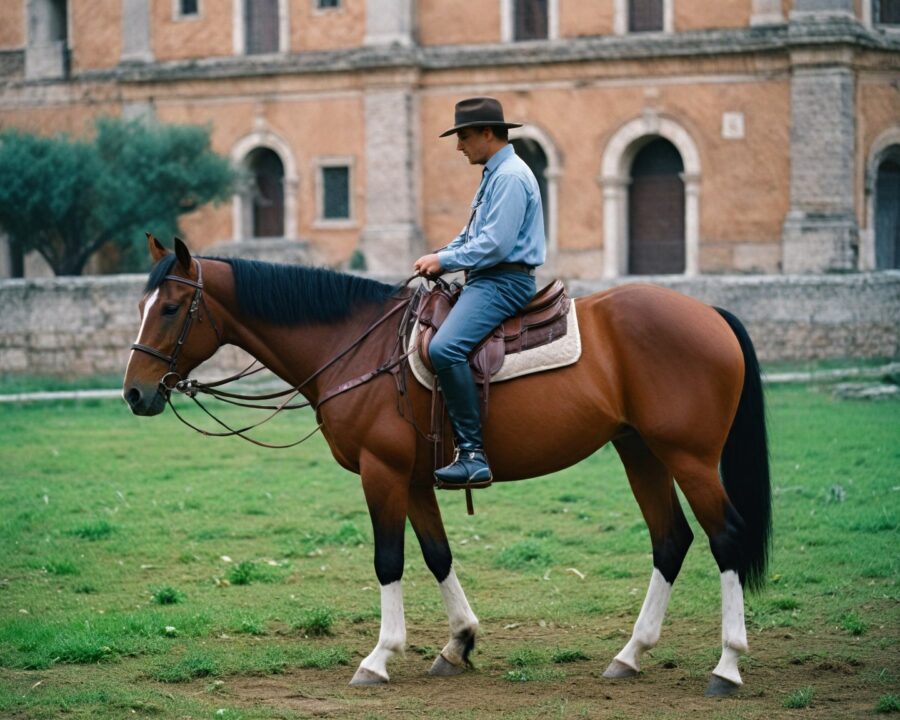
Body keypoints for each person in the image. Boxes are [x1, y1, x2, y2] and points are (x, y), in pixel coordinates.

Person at [414, 97, 546, 488]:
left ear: (488, 133)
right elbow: (473, 233)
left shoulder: (509, 177)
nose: (459, 146)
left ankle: (472, 455)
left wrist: (446, 262)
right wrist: (442, 253)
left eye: (465, 137)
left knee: (444, 348)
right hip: (488, 277)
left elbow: (496, 244)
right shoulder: (495, 173)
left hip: (502, 281)